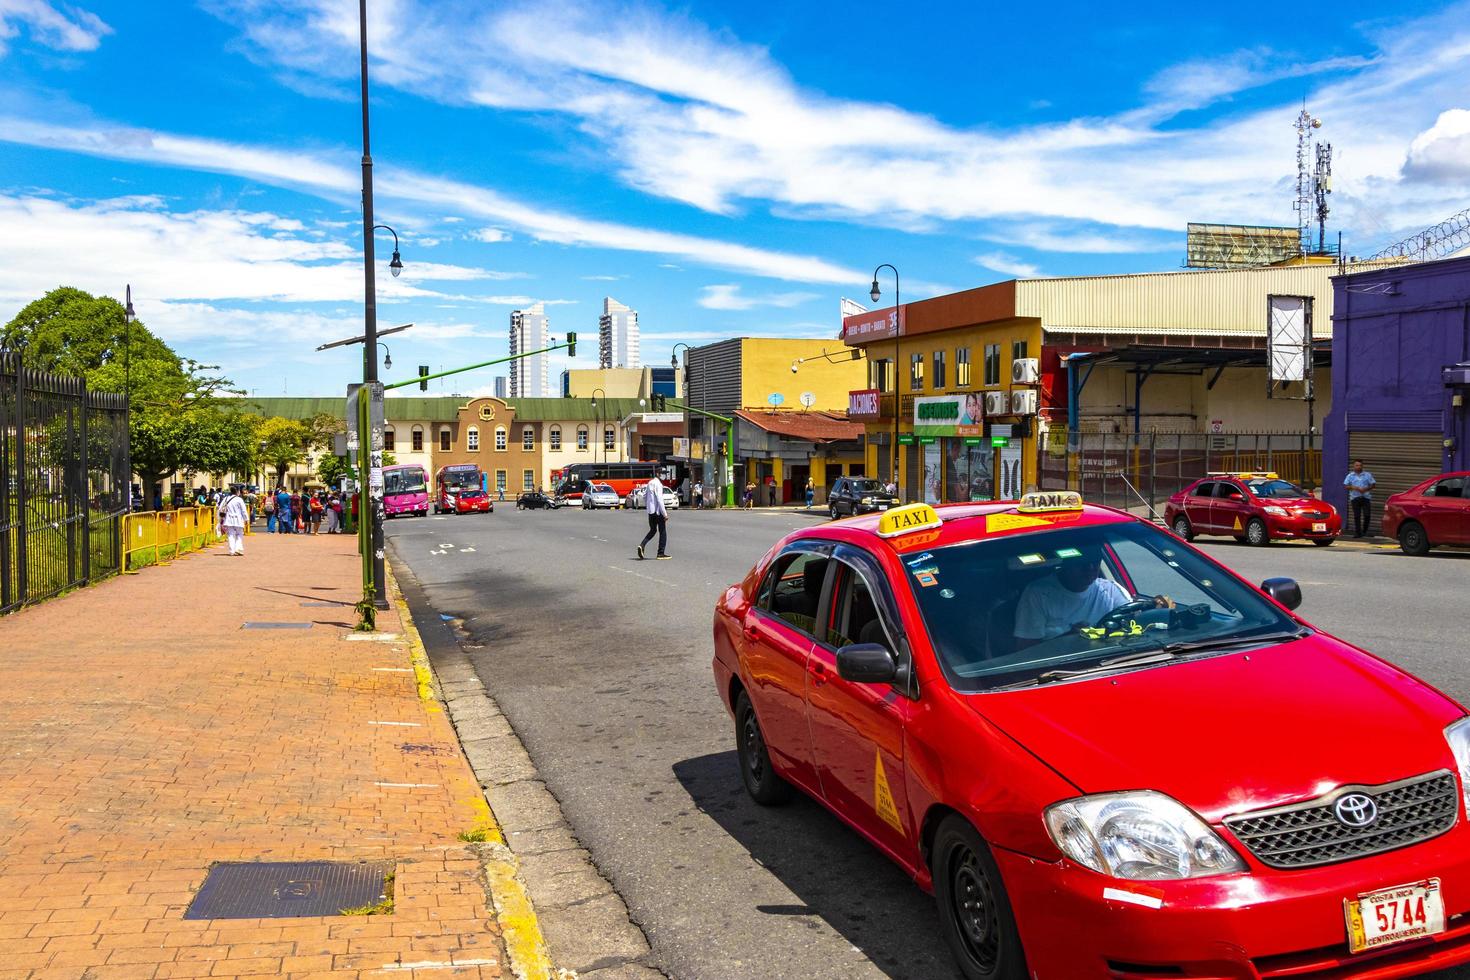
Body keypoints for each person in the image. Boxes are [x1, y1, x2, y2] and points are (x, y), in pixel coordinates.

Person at [1014, 547, 1172, 647]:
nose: (1090, 569)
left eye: (1095, 563)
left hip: (1109, 663)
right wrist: (1069, 638)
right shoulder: (1038, 593)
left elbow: (1135, 622)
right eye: (1082, 563)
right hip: (1057, 671)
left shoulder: (1110, 590)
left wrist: (1157, 609)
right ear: (1066, 563)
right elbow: (1025, 647)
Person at [637, 476, 670, 560]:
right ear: (658, 474)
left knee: (653, 530)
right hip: (658, 512)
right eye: (663, 474)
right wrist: (665, 514)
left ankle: (642, 545)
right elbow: (659, 499)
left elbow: (644, 496)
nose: (664, 476)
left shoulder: (650, 483)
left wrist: (649, 506)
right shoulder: (658, 484)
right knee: (662, 531)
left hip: (651, 512)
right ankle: (660, 553)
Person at [1343, 459, 1377, 538]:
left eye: (1360, 465)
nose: (1359, 467)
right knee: (1357, 516)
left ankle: (1365, 531)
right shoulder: (1350, 476)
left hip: (1366, 497)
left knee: (1367, 515)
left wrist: (1366, 489)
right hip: (1355, 498)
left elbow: (1373, 485)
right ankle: (1358, 532)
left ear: (1362, 466)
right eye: (1357, 465)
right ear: (1354, 466)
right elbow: (1346, 485)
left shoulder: (1367, 475)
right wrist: (1355, 488)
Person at [218, 486, 250, 556]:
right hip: (238, 519)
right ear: (237, 492)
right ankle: (238, 549)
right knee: (239, 534)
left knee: (230, 535)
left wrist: (220, 519)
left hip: (228, 519)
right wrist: (246, 519)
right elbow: (243, 510)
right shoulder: (239, 500)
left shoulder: (225, 499)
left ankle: (232, 551)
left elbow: (220, 509)